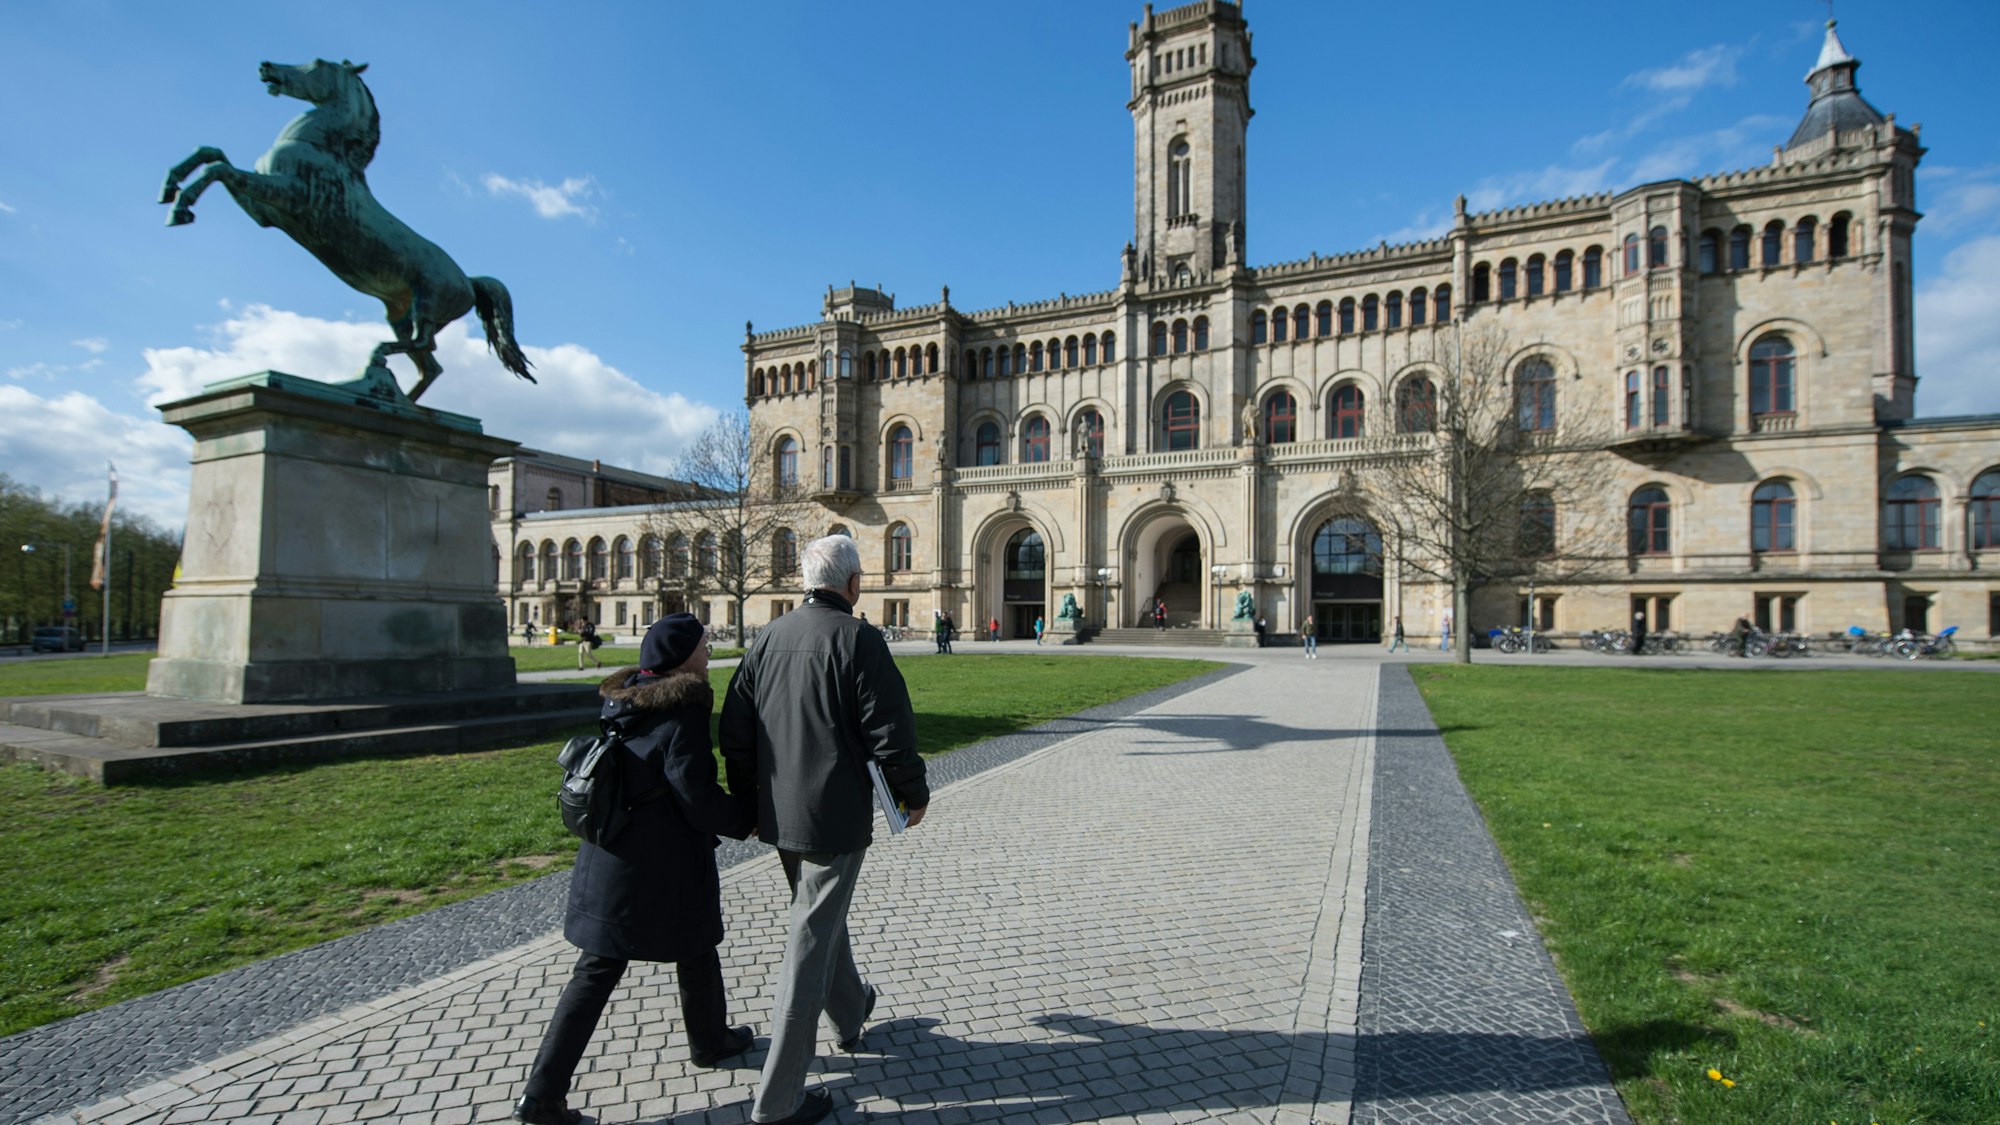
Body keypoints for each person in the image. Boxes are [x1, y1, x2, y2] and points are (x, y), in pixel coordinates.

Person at [512, 614, 757, 1125]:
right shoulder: (682, 709)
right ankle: (542, 1099)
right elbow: (695, 792)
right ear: (681, 656)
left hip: (613, 853)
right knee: (642, 958)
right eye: (703, 645)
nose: (709, 651)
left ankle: (710, 1039)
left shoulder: (625, 698)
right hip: (659, 862)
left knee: (675, 950)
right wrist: (745, 819)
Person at [720, 536, 930, 1125]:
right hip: (833, 816)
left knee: (819, 919)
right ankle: (779, 1099)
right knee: (808, 942)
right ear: (854, 584)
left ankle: (851, 1012)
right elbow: (890, 729)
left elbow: (735, 729)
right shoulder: (860, 638)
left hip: (779, 813)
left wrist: (749, 800)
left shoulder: (769, 635)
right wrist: (913, 794)